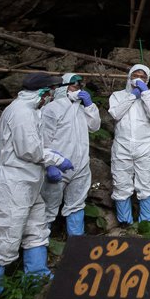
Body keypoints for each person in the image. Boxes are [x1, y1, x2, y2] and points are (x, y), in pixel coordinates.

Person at [0, 72, 71, 299]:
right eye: (49, 93)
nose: (50, 98)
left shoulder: (30, 110)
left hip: (28, 183)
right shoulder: (21, 113)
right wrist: (55, 159)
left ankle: (36, 278)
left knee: (36, 228)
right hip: (12, 184)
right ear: (41, 92)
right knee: (6, 239)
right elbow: (30, 151)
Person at [39, 72, 100, 236]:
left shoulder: (80, 109)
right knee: (47, 208)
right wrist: (49, 165)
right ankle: (40, 244)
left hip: (80, 166)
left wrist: (89, 105)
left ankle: (76, 244)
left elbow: (94, 126)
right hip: (58, 166)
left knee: (77, 204)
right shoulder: (51, 109)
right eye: (74, 85)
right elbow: (43, 140)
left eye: (79, 85)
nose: (78, 88)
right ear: (63, 87)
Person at [108, 63, 150, 225]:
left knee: (146, 183)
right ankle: (125, 223)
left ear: (147, 80)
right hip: (122, 146)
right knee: (121, 183)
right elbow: (115, 113)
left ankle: (147, 223)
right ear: (129, 77)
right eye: (135, 76)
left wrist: (145, 93)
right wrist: (132, 96)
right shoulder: (117, 96)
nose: (138, 79)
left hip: (144, 146)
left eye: (143, 77)